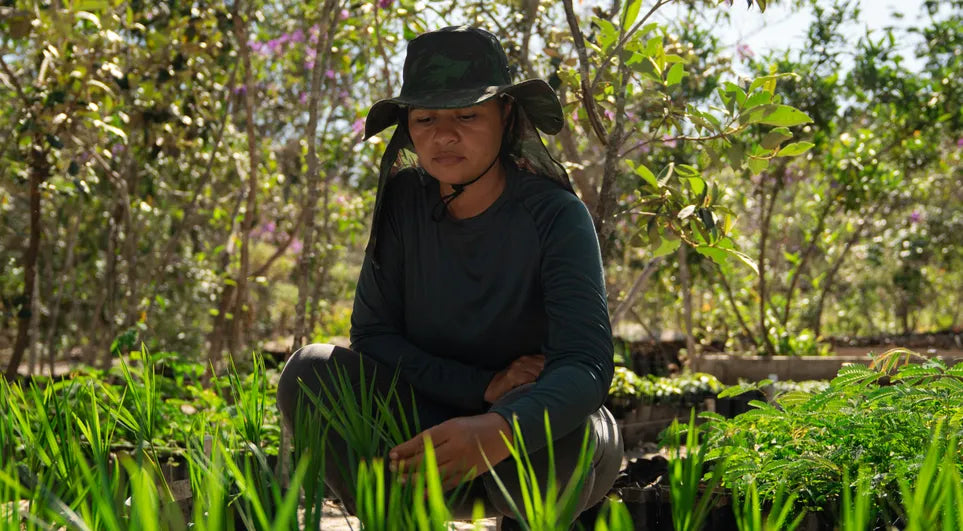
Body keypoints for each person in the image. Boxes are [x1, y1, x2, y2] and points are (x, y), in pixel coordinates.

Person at [276, 25, 623, 528]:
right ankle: (396, 518)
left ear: (505, 116)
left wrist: (499, 427)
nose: (444, 135)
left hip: (535, 443)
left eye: (467, 115)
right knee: (309, 371)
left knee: (560, 429)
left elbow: (586, 364)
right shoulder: (403, 204)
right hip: (430, 440)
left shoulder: (555, 216)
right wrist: (483, 388)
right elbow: (373, 337)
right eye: (425, 118)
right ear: (408, 126)